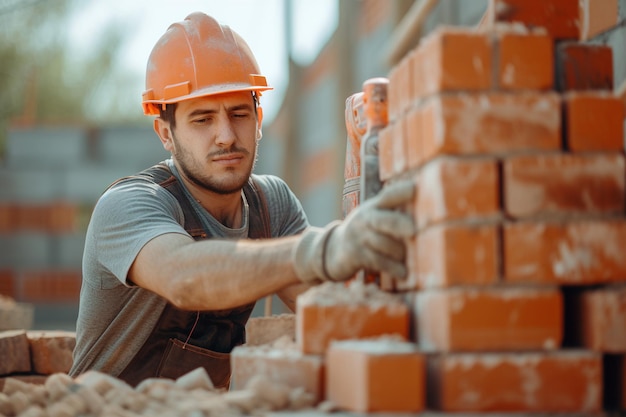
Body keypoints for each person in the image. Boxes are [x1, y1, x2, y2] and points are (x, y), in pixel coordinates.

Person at [69, 11, 415, 388]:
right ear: (165, 133)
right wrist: (324, 249)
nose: (226, 136)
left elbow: (329, 306)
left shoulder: (271, 205)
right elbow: (184, 277)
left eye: (239, 113)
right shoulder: (130, 204)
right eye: (202, 120)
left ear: (259, 118)